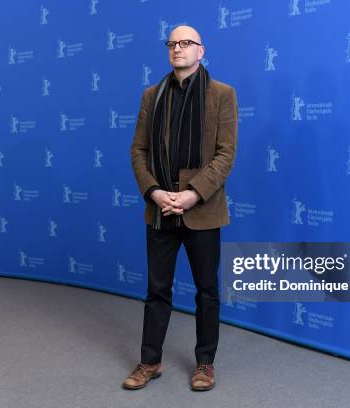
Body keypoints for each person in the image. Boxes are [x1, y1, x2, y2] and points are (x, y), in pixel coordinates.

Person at [124, 25, 238, 391]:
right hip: (160, 209)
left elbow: (225, 155)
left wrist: (192, 193)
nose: (178, 49)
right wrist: (154, 191)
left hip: (201, 209)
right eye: (172, 44)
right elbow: (138, 151)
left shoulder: (222, 94)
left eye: (186, 43)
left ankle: (205, 363)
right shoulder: (151, 96)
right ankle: (149, 361)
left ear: (201, 51)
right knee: (157, 290)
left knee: (207, 290)